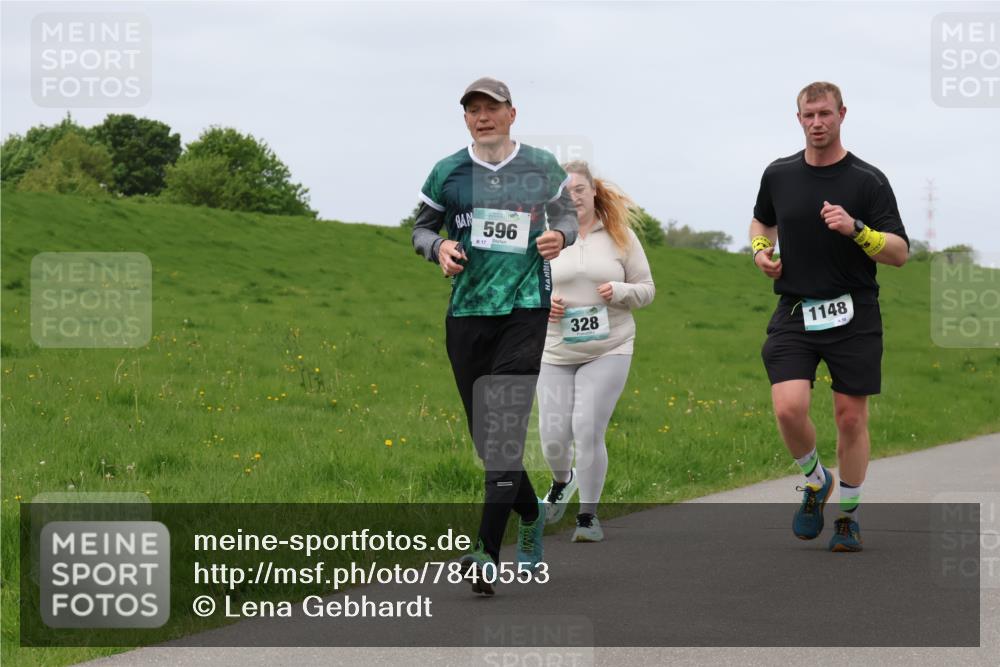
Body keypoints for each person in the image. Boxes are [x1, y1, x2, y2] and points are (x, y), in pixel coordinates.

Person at [411, 77, 578, 594]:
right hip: (467, 313)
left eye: (491, 108)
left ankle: (485, 550)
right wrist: (437, 248)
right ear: (465, 118)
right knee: (489, 440)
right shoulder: (447, 171)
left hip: (525, 310)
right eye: (473, 110)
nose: (482, 117)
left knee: (503, 428)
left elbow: (568, 218)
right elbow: (421, 229)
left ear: (512, 114)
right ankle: (530, 513)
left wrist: (559, 236)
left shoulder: (541, 166)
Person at [750, 81, 909, 552]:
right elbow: (763, 221)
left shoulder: (867, 180)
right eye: (809, 115)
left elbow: (899, 252)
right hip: (796, 309)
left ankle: (848, 517)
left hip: (854, 312)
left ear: (842, 114)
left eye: (825, 113)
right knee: (788, 407)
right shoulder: (779, 174)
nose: (817, 123)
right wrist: (760, 251)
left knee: (850, 418)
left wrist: (857, 229)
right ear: (798, 119)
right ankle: (817, 481)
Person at [537, 161, 655, 542]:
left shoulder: (621, 236)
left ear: (593, 191)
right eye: (565, 192)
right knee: (552, 436)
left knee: (586, 427)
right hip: (555, 349)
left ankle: (587, 517)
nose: (573, 198)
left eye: (579, 190)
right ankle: (562, 481)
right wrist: (544, 303)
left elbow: (647, 289)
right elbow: (522, 288)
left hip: (610, 346)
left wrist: (620, 291)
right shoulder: (545, 237)